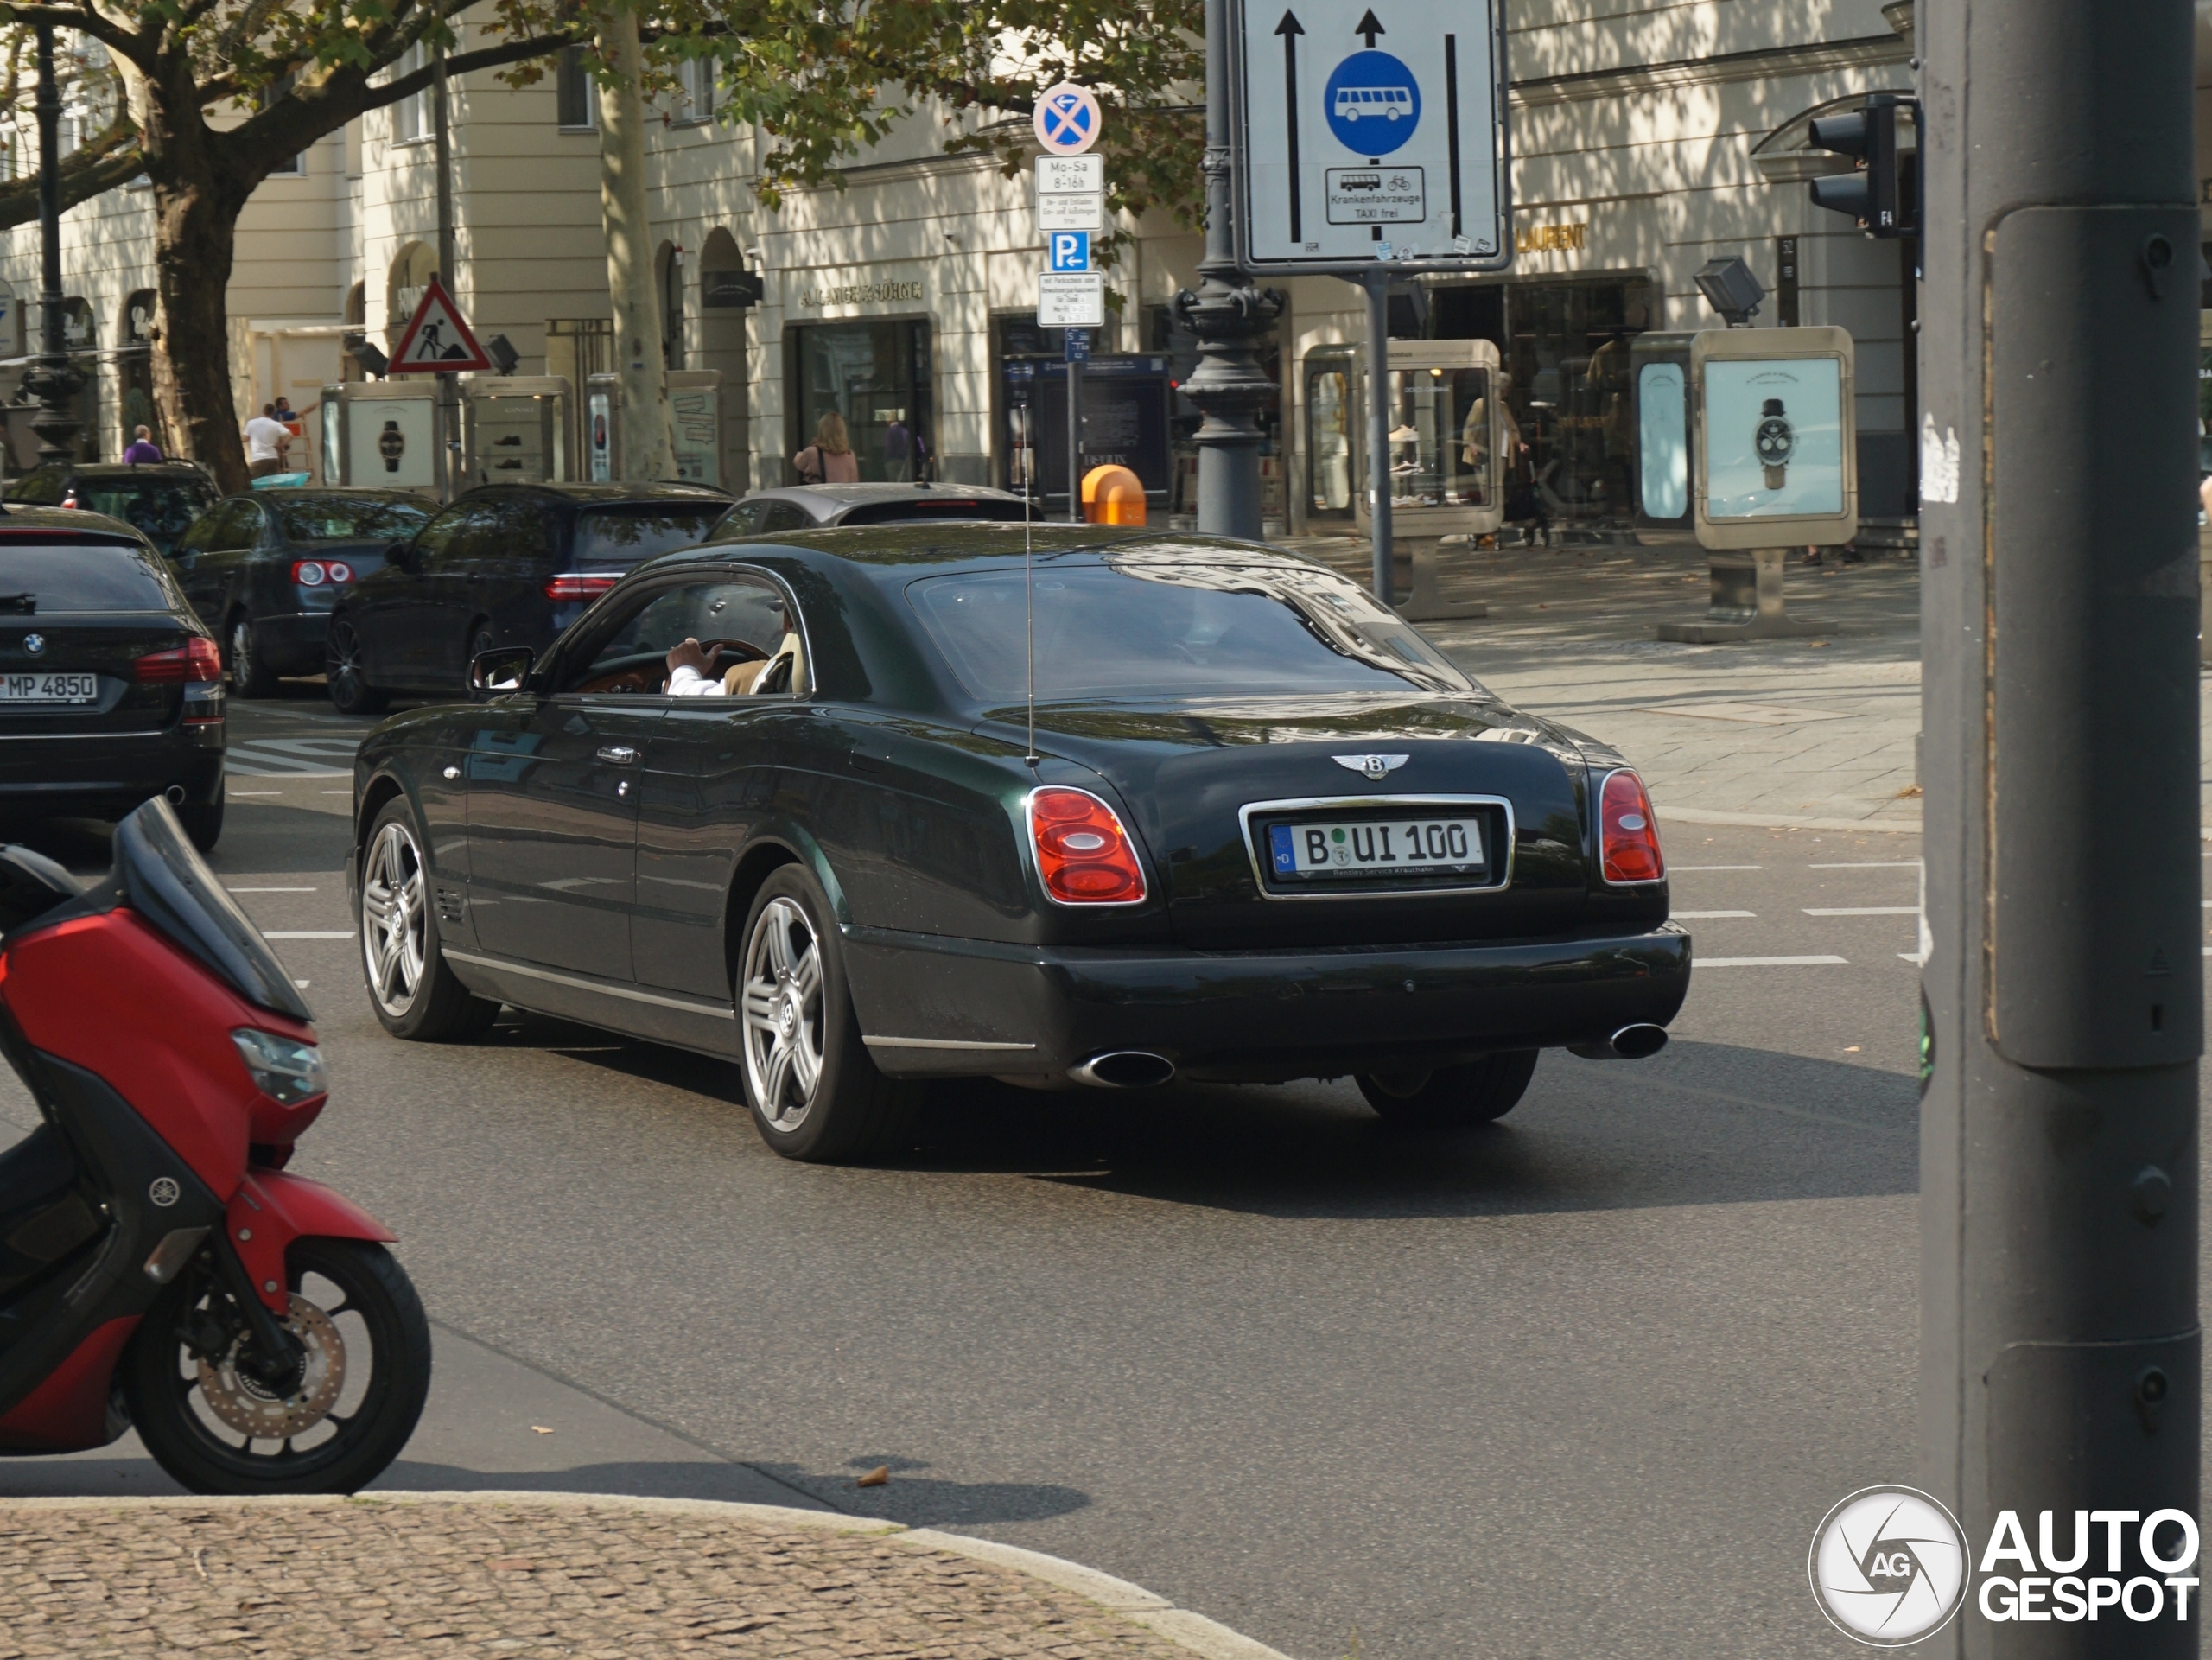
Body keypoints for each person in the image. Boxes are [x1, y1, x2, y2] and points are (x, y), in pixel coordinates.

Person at [792, 412, 860, 485]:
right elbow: (854, 481)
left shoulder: (812, 452)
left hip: (820, 495)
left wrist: (800, 454)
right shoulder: (849, 455)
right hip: (842, 495)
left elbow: (799, 464)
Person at [244, 404, 291, 479]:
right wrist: (281, 444)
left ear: (263, 411)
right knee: (271, 483)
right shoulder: (276, 425)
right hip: (272, 459)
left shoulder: (251, 423)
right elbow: (290, 435)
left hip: (257, 459)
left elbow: (245, 439)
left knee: (253, 483)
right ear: (273, 413)